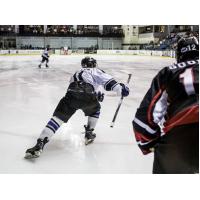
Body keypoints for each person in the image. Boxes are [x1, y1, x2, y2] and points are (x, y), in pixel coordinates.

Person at [25, 56, 130, 159]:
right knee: (95, 110)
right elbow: (109, 84)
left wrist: (95, 95)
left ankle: (39, 144)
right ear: (93, 64)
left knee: (57, 119)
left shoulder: (76, 73)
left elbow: (79, 86)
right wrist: (121, 89)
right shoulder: (95, 70)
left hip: (71, 94)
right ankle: (89, 133)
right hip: (87, 94)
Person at [132, 36, 199, 174]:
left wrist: (148, 144)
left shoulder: (168, 72)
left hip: (180, 140)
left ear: (178, 54)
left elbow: (144, 118)